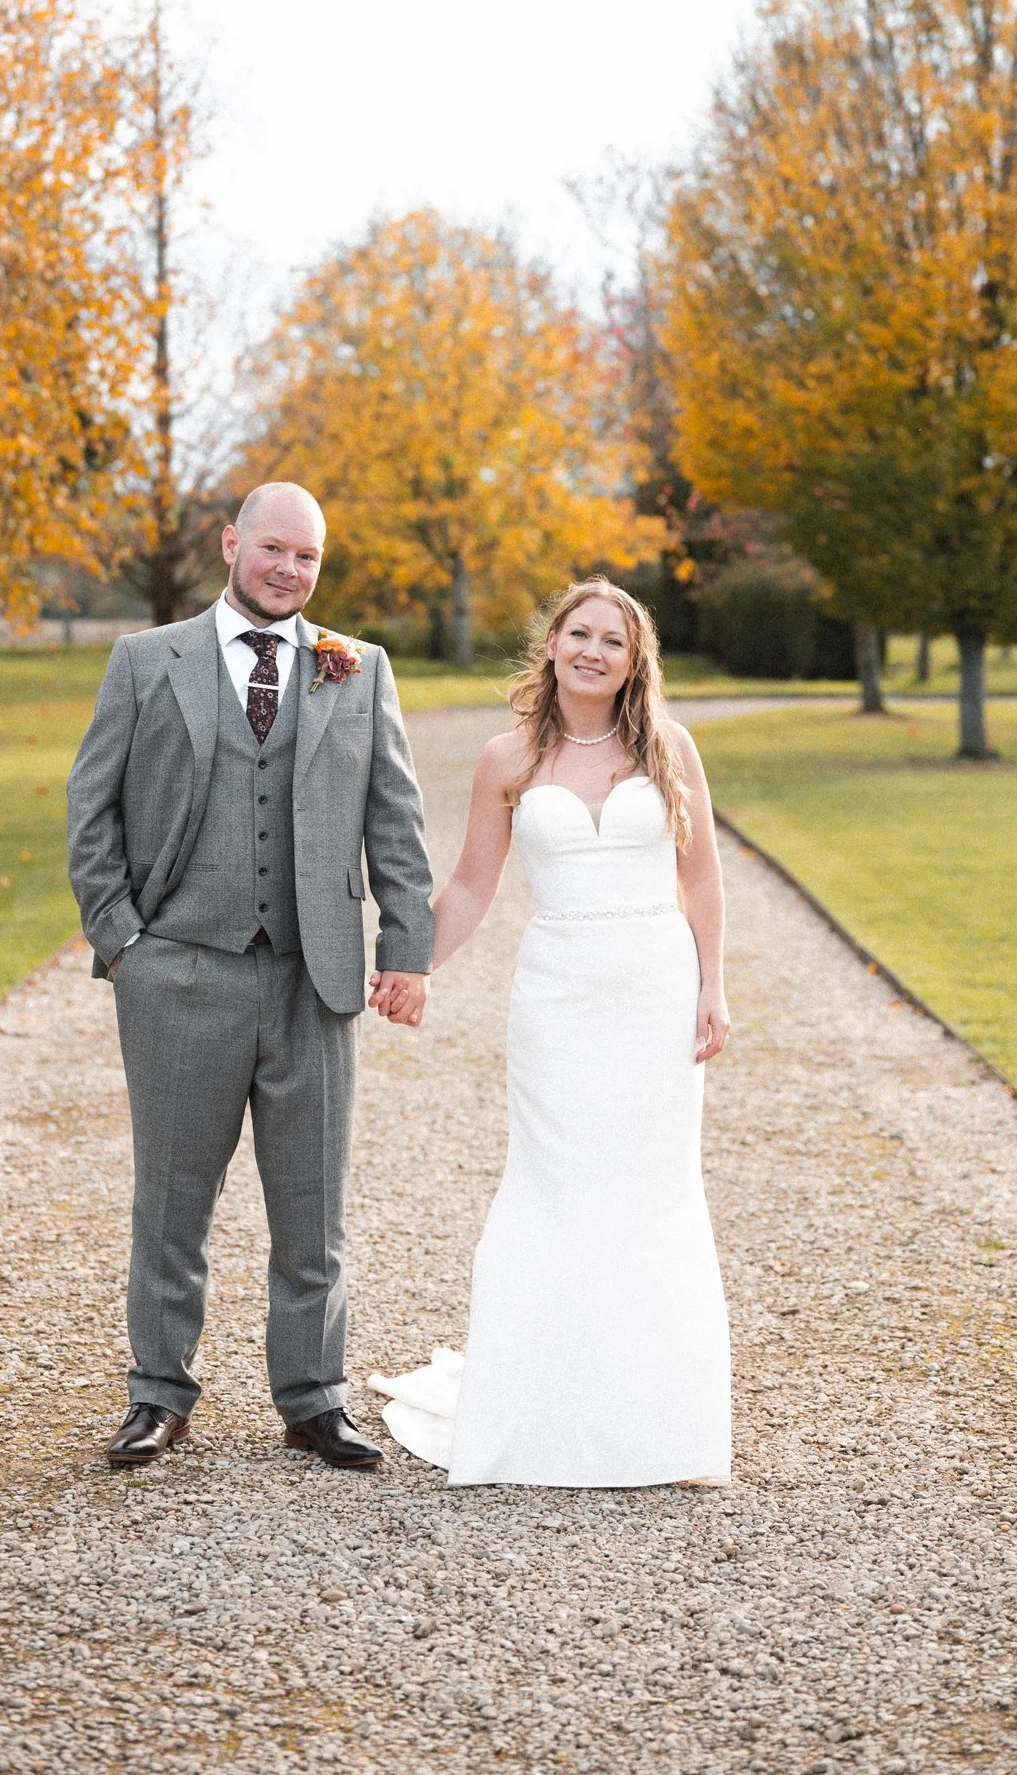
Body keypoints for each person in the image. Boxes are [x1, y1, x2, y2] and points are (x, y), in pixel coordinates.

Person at [67, 482, 434, 1472]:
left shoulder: (355, 669)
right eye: (272, 548)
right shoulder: (147, 660)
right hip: (179, 972)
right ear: (231, 543)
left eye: (307, 557)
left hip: (314, 980)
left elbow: (393, 820)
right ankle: (157, 1395)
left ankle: (313, 1400)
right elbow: (89, 807)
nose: (287, 570)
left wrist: (405, 947)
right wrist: (125, 945)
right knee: (172, 1199)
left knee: (312, 1207)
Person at [371, 579, 732, 1487]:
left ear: (633, 659)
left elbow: (701, 883)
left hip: (654, 993)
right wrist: (405, 964)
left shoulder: (669, 748)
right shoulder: (506, 759)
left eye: (613, 640)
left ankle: (655, 1423)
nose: (593, 652)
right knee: (556, 1187)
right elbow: (467, 890)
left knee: (650, 1192)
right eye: (580, 633)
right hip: (558, 1001)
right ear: (551, 644)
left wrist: (712, 987)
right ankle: (537, 1412)